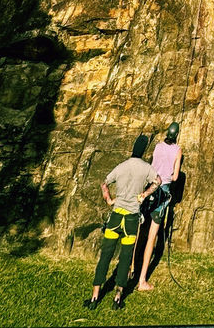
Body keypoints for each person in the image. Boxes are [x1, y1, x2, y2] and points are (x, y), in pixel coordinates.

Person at [85, 135, 161, 311]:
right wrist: (144, 194)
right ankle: (118, 298)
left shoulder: (121, 166)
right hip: (131, 219)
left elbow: (104, 183)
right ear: (144, 150)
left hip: (116, 217)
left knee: (105, 255)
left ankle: (95, 296)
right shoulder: (146, 168)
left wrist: (109, 199)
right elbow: (158, 181)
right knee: (125, 258)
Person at [137, 122, 183, 292]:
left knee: (139, 230)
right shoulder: (178, 150)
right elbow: (176, 176)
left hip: (150, 188)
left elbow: (152, 166)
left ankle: (130, 270)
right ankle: (142, 280)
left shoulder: (157, 146)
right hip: (162, 192)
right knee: (152, 237)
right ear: (176, 134)